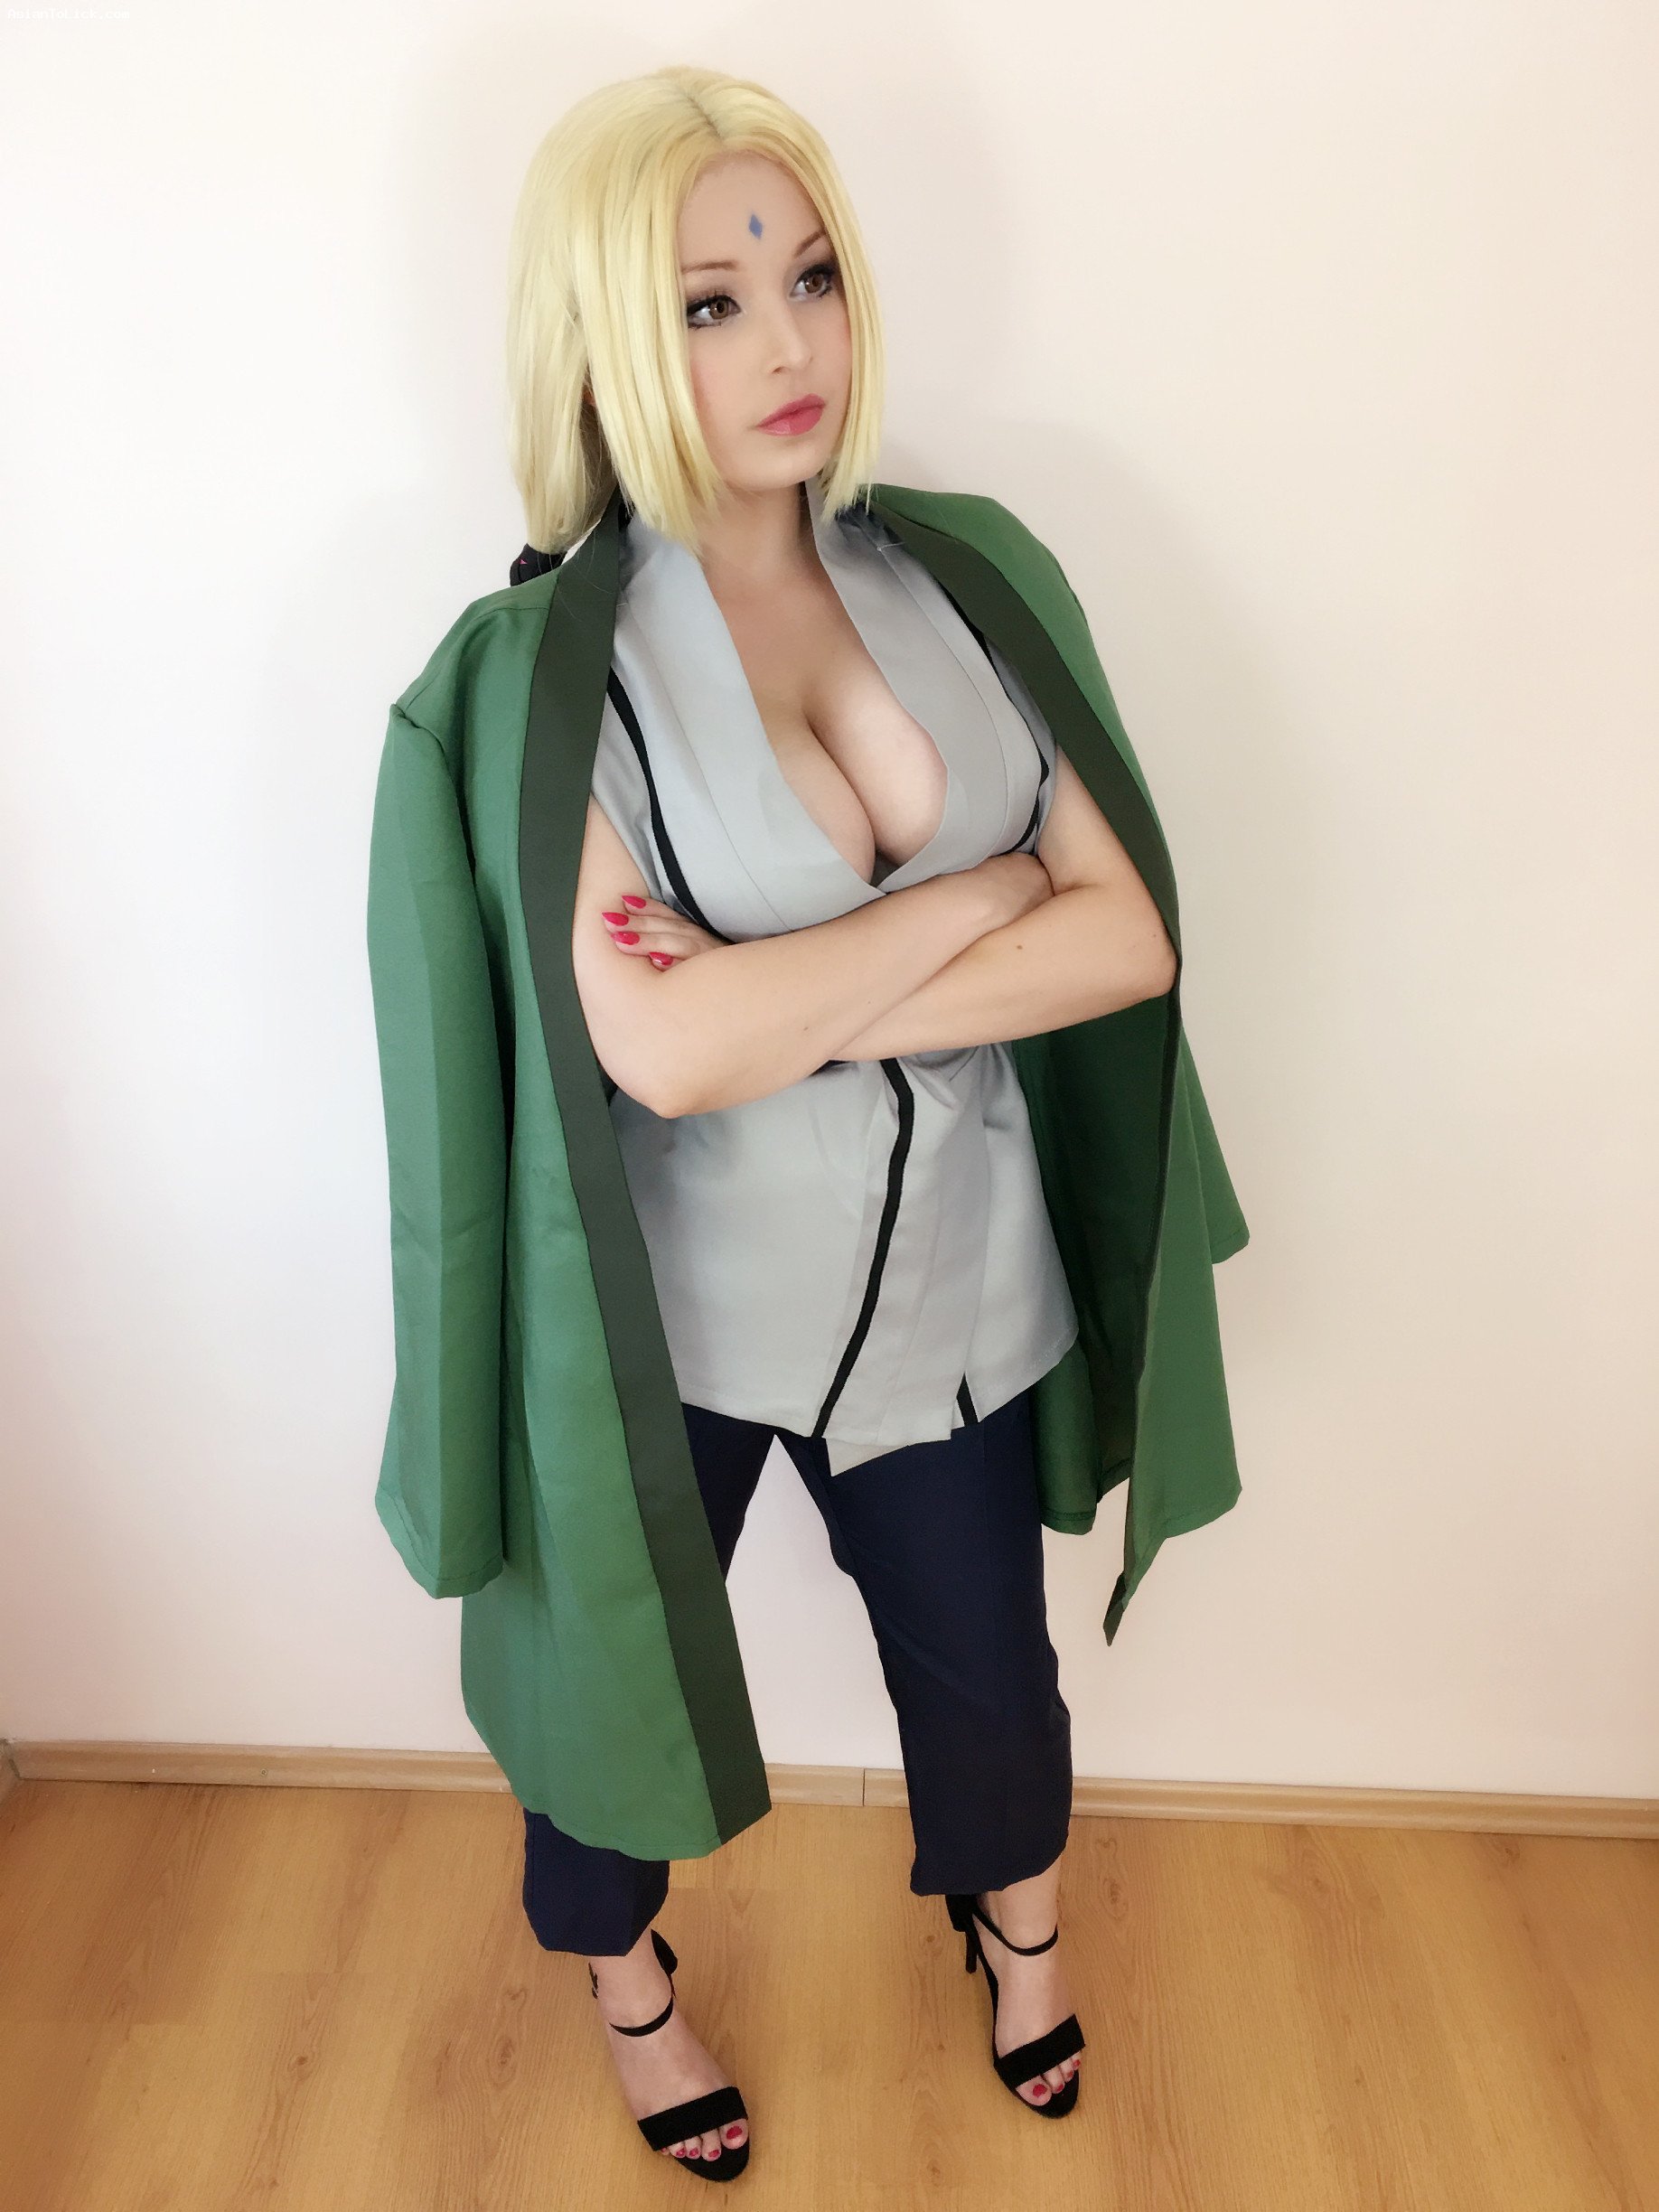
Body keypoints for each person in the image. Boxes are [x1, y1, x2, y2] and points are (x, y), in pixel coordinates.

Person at [367, 59, 1249, 2187]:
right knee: (605, 1694)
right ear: (607, 334)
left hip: (957, 1294)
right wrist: (972, 898)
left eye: (813, 276)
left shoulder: (969, 577)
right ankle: (627, 1985)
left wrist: (786, 998)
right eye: (709, 300)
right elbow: (667, 1062)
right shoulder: (543, 670)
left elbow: (1129, 937)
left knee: (996, 1683)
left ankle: (1016, 1937)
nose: (787, 342)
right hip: (676, 1321)